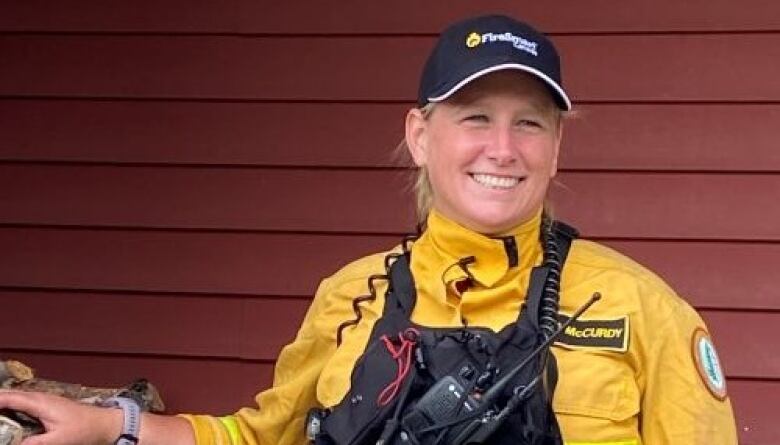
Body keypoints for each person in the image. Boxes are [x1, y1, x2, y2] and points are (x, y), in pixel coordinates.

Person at [0, 14, 737, 445]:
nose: (502, 148)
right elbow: (258, 438)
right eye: (474, 118)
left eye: (530, 124)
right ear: (421, 134)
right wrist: (115, 425)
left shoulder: (640, 307)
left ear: (556, 148)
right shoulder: (352, 294)